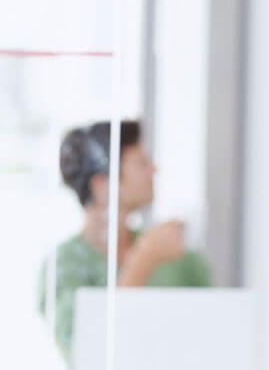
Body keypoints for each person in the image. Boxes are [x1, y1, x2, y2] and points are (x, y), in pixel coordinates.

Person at [39, 120, 211, 366]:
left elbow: (213, 335)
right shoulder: (63, 266)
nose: (154, 170)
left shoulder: (177, 254)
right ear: (102, 185)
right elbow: (91, 356)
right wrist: (144, 259)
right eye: (141, 163)